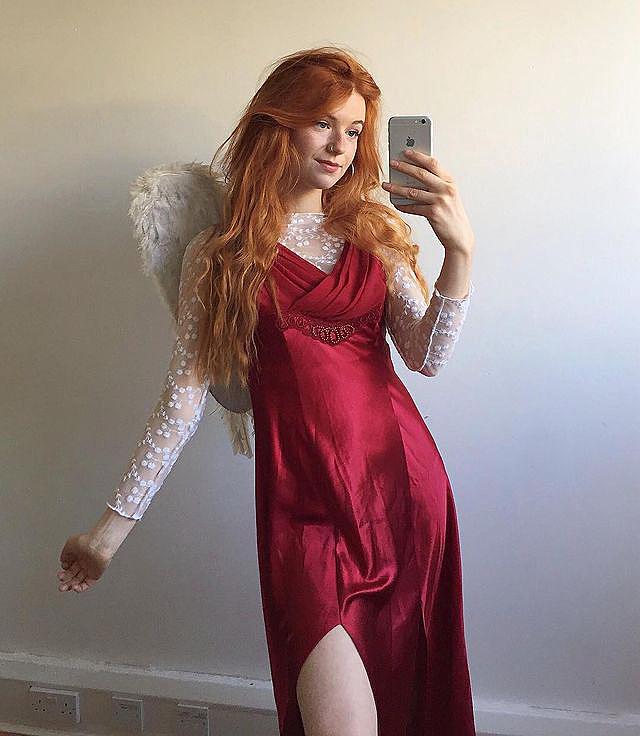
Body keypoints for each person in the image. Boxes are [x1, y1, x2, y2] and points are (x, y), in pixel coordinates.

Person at [57, 45, 477, 736]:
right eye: (322, 123)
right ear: (277, 124)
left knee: (409, 698)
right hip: (302, 508)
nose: (340, 146)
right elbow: (181, 403)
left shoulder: (374, 233)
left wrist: (458, 252)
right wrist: (107, 534)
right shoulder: (220, 255)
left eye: (354, 130)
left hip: (402, 491)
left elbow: (425, 357)